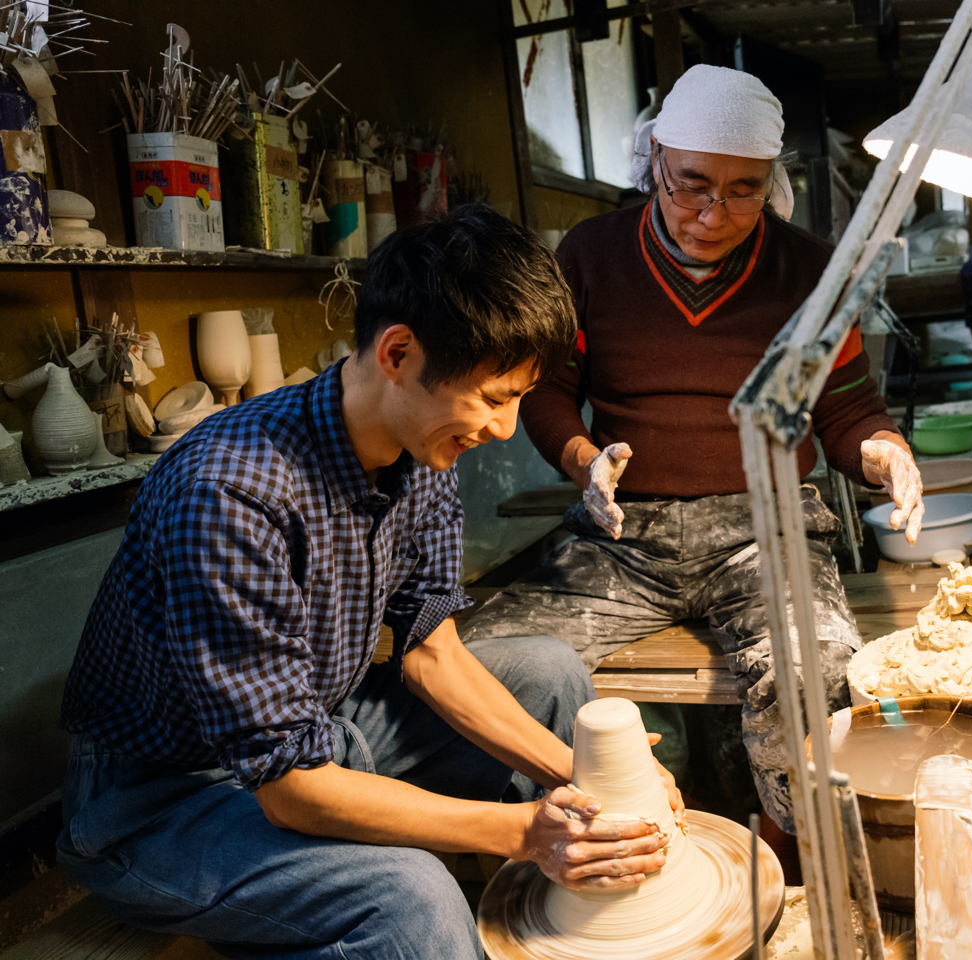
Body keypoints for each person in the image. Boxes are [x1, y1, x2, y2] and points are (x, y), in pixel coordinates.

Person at [56, 205, 683, 960]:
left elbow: (432, 653)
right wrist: (521, 833)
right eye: (493, 398)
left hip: (320, 727)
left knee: (548, 674)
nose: (507, 428)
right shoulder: (230, 494)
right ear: (397, 353)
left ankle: (574, 916)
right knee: (411, 895)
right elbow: (290, 787)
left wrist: (590, 777)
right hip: (164, 802)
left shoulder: (420, 450)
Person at [461, 65, 925, 843]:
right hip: (623, 538)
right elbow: (545, 390)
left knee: (814, 675)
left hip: (767, 533)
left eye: (744, 190)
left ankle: (800, 859)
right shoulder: (590, 254)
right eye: (691, 185)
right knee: (481, 662)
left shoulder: (811, 271)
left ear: (770, 181)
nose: (713, 213)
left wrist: (883, 452)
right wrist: (584, 460)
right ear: (654, 161)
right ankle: (556, 847)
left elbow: (846, 410)